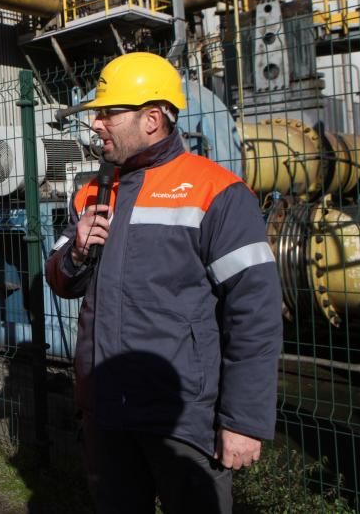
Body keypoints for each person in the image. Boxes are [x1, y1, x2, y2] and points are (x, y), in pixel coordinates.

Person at [45, 53, 282, 514]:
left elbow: (254, 312)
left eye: (109, 112)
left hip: (183, 420)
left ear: (152, 118)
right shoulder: (91, 191)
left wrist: (243, 421)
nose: (96, 124)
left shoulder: (217, 192)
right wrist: (74, 253)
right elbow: (59, 279)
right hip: (106, 415)